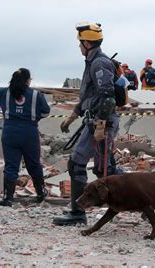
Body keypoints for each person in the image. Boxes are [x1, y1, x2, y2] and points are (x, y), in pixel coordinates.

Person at [53, 22, 120, 226]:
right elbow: (90, 95)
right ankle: (146, 196)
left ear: (87, 43)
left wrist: (100, 125)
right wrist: (73, 115)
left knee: (88, 166)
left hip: (101, 122)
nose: (79, 47)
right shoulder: (92, 62)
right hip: (95, 120)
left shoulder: (99, 63)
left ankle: (78, 212)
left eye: (80, 43)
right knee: (103, 169)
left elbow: (107, 96)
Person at [0, 68, 50, 207]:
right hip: (29, 132)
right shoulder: (36, 95)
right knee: (34, 164)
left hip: (9, 132)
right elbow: (46, 112)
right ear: (27, 80)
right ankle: (40, 194)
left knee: (11, 166)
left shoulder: (3, 93)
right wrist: (34, 117)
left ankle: (8, 198)